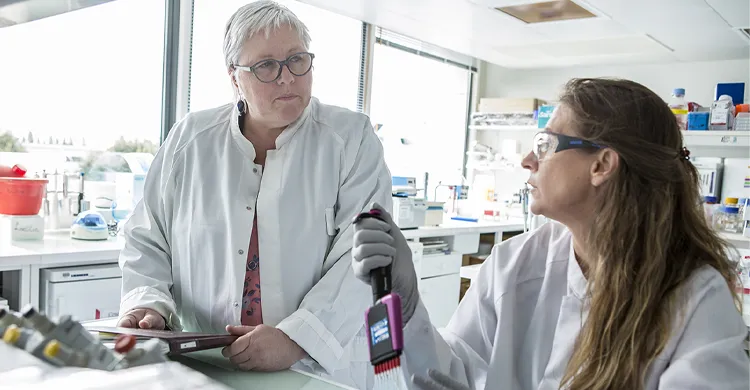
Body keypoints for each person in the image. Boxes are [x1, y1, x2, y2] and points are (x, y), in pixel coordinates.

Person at [352, 78, 750, 390]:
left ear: (602, 165)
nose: (528, 160)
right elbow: (456, 369)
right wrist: (404, 305)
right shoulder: (514, 262)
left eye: (545, 144)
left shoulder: (695, 298)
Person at [117, 1, 391, 388]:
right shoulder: (190, 141)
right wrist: (147, 302)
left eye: (297, 59)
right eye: (265, 66)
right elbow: (147, 236)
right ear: (234, 77)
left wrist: (297, 337)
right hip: (205, 360)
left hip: (316, 367)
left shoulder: (351, 139)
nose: (287, 78)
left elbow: (363, 256)